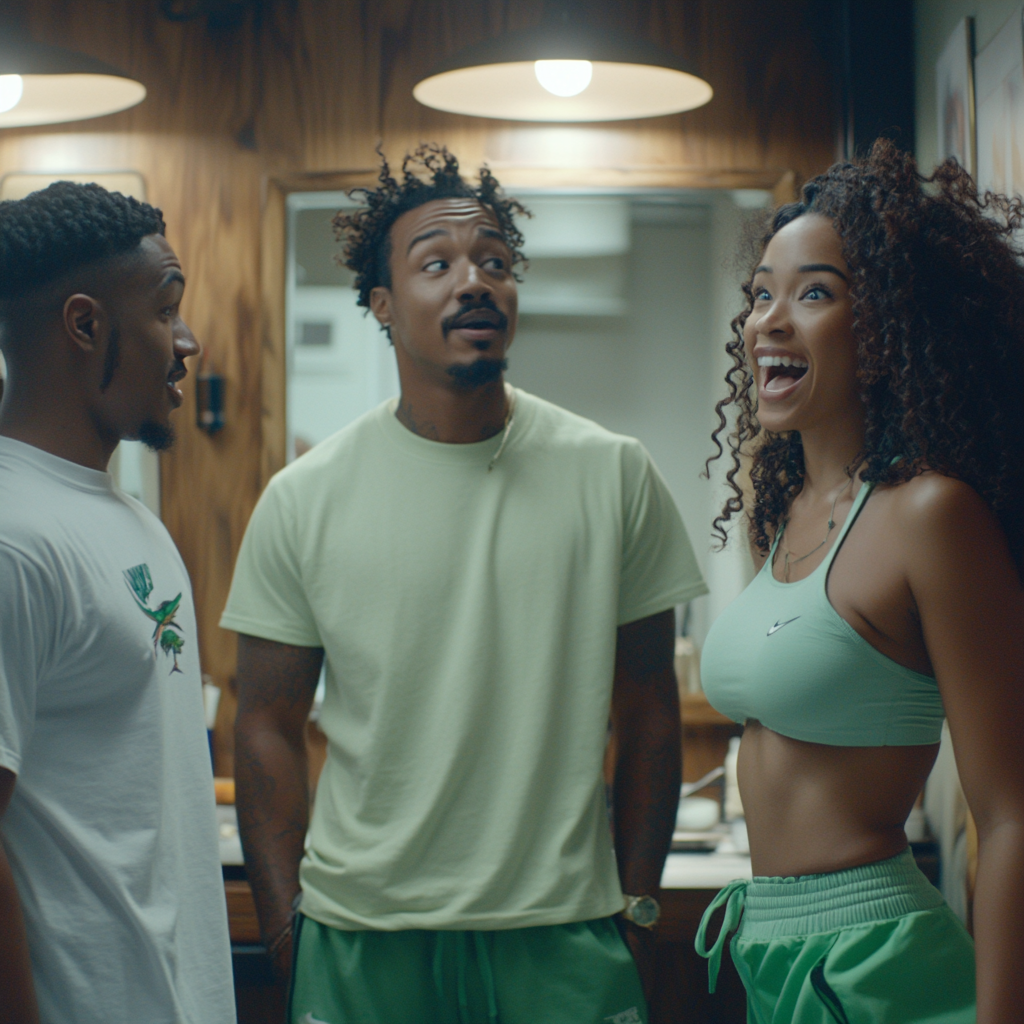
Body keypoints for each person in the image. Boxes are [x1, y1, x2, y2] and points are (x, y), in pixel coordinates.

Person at [221, 145, 707, 1024]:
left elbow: (649, 706)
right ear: (382, 305)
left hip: (564, 934)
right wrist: (287, 934)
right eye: (436, 264)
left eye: (494, 262)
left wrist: (638, 909)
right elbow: (263, 724)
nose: (475, 281)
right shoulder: (303, 498)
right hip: (361, 939)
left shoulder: (614, 473)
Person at [696, 141, 1023, 1023]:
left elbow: (1010, 815)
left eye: (814, 293)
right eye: (761, 292)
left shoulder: (931, 517)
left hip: (876, 962)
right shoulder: (785, 517)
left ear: (884, 328)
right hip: (773, 952)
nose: (769, 320)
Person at [0, 182, 235, 1024]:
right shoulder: (13, 539)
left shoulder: (132, 523)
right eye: (166, 310)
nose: (188, 341)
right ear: (86, 325)